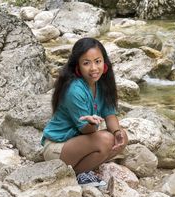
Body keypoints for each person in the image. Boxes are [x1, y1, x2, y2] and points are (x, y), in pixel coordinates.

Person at [41, 37, 128, 187]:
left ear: (104, 62)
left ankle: (81, 170)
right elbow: (86, 130)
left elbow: (109, 114)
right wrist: (91, 123)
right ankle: (77, 175)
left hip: (79, 142)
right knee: (106, 140)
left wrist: (117, 133)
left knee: (122, 137)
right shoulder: (74, 90)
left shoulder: (102, 84)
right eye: (86, 63)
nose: (94, 68)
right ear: (78, 66)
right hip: (58, 147)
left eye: (98, 61)